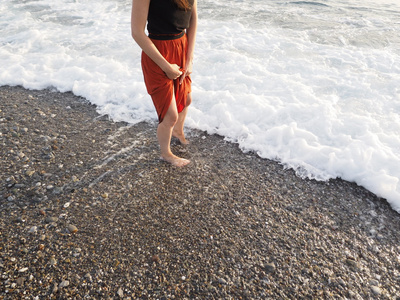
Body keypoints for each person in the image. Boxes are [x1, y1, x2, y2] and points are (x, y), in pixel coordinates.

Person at [131, 0, 198, 167]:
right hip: (156, 54)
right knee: (170, 116)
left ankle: (177, 131)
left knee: (186, 99)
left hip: (181, 47)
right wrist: (165, 66)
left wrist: (189, 59)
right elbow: (137, 33)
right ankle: (166, 153)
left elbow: (193, 20)